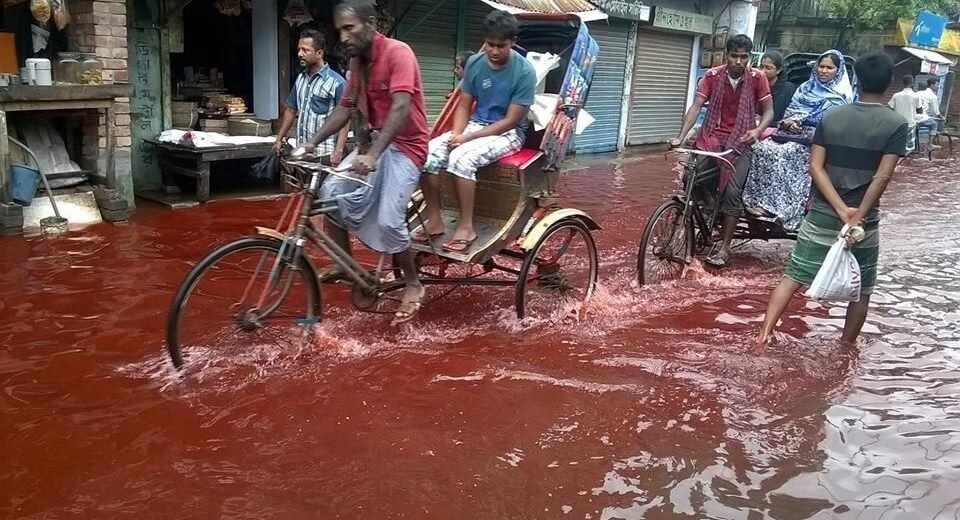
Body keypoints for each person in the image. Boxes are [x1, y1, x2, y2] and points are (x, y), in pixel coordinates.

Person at [756, 51, 909, 345]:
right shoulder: (896, 125)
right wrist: (856, 216)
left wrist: (839, 210)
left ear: (856, 79)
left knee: (794, 275)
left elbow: (815, 167)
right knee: (862, 288)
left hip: (823, 211)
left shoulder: (832, 116)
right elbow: (882, 177)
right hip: (864, 219)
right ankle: (846, 349)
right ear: (888, 83)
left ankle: (763, 335)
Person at [302, 0, 430, 325]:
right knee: (329, 193)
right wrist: (311, 143)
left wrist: (372, 155)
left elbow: (401, 109)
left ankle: (413, 284)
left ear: (370, 23)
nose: (343, 37)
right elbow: (344, 108)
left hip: (406, 147)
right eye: (340, 30)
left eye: (350, 28)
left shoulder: (399, 53)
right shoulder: (358, 64)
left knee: (389, 221)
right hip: (373, 144)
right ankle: (346, 263)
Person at [417, 10, 536, 252]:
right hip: (474, 124)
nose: (493, 51)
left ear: (512, 43)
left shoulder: (525, 72)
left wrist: (466, 138)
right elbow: (463, 105)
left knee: (462, 159)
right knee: (425, 154)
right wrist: (455, 135)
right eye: (490, 44)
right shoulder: (475, 63)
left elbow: (511, 121)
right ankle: (435, 219)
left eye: (500, 46)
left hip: (508, 133)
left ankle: (466, 227)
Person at [670, 34, 774, 268]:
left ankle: (725, 247)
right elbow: (696, 105)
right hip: (712, 137)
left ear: (749, 57)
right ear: (726, 55)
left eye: (743, 57)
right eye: (734, 56)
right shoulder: (712, 76)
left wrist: (757, 131)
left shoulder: (758, 78)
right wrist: (681, 136)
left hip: (742, 141)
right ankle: (708, 209)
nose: (738, 61)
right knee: (690, 177)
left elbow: (769, 111)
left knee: (732, 192)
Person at [743, 50, 853, 232]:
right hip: (791, 135)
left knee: (783, 153)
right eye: (821, 66)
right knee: (762, 148)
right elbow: (790, 112)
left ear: (838, 71)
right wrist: (790, 122)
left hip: (819, 142)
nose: (824, 71)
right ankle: (757, 202)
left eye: (829, 68)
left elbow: (836, 122)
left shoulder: (843, 95)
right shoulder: (805, 88)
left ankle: (779, 208)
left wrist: (805, 122)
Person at [273, 29, 350, 166]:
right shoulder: (300, 79)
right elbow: (291, 110)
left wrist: (338, 150)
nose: (299, 54)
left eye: (305, 50)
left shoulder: (337, 83)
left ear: (319, 53)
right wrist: (279, 138)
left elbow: (344, 120)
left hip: (325, 153)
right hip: (302, 152)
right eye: (299, 49)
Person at [759, 51, 797, 123]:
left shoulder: (789, 89)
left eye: (768, 68)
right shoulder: (755, 85)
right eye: (761, 67)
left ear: (778, 70)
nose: (763, 71)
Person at [888, 75, 923, 150]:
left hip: (897, 124)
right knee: (909, 148)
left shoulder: (896, 95)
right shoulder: (916, 96)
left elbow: (889, 108)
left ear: (903, 83)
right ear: (912, 83)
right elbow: (920, 110)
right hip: (910, 124)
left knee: (896, 146)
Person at [916, 77, 941, 142]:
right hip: (921, 118)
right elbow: (935, 112)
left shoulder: (918, 93)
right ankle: (930, 144)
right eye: (936, 84)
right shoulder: (933, 96)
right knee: (934, 124)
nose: (937, 86)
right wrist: (942, 117)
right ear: (932, 85)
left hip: (912, 116)